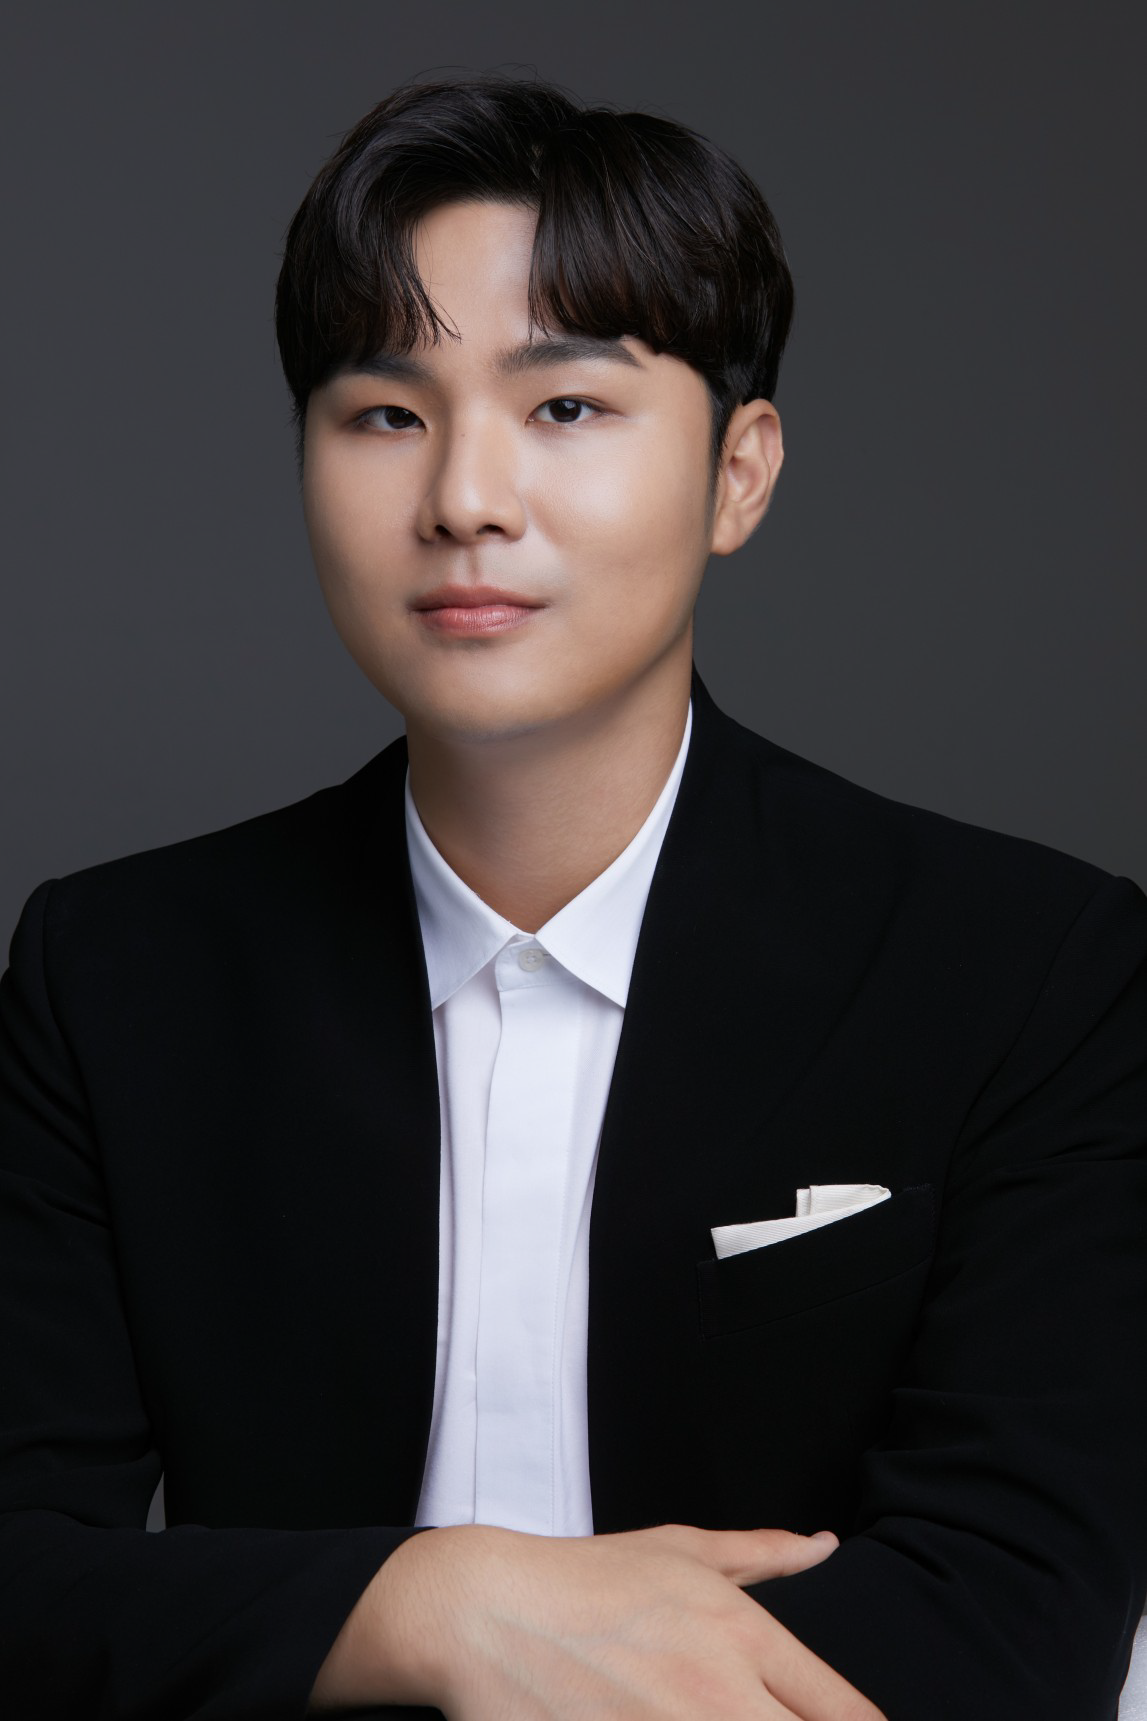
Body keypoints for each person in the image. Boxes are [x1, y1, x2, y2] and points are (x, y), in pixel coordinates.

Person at [0, 72, 1144, 1721]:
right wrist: (428, 1604)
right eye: (384, 414)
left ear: (738, 473)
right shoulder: (113, 976)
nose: (464, 497)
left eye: (567, 408)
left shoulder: (1028, 969)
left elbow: (1014, 1621)